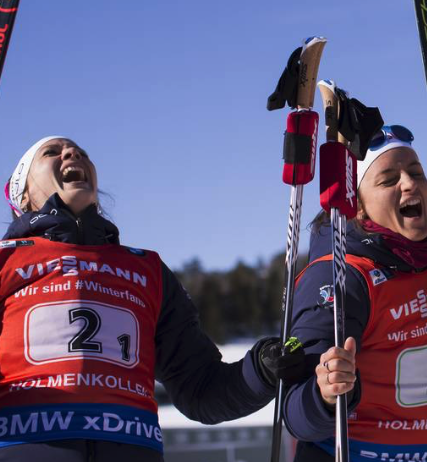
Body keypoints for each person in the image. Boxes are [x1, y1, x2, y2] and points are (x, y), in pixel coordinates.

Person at [0, 136, 300, 461]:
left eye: (81, 152)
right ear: (24, 194)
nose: (72, 153)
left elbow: (200, 388)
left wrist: (261, 371)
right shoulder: (7, 261)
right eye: (51, 152)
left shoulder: (147, 269)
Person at [283, 124, 427, 462]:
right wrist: (323, 394)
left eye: (416, 172)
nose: (409, 182)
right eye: (389, 180)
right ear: (357, 207)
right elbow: (294, 414)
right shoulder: (341, 275)